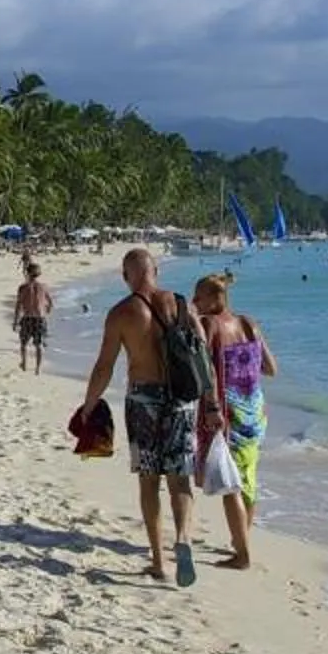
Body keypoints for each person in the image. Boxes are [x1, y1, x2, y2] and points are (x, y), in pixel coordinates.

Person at [79, 245, 208, 586]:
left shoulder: (121, 312)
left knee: (149, 481)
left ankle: (158, 560)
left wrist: (89, 404)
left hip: (143, 401)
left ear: (126, 277)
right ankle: (183, 538)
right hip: (182, 401)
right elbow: (202, 360)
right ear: (157, 271)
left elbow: (104, 366)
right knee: (179, 479)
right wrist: (210, 405)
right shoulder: (183, 305)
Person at [191, 271, 278, 569]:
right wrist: (244, 368)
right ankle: (241, 540)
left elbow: (209, 372)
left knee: (231, 485)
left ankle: (242, 555)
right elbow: (270, 368)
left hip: (227, 414)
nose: (193, 302)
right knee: (248, 479)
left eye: (198, 297)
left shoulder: (209, 325)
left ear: (215, 298)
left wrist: (213, 407)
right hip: (255, 411)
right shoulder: (249, 323)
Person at [12, 258, 54, 371]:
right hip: (40, 318)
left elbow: (18, 305)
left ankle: (24, 363)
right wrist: (46, 312)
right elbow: (50, 303)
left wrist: (15, 321)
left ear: (27, 273)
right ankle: (38, 367)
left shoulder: (23, 287)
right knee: (39, 345)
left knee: (23, 343)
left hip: (27, 317)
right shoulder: (44, 287)